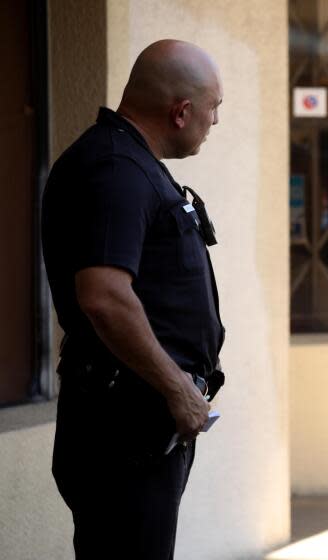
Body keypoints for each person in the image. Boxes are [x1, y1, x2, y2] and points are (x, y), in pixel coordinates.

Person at [42, 39, 225, 559]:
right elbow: (103, 297)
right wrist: (180, 392)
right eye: (214, 107)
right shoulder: (116, 168)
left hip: (137, 431)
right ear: (181, 111)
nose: (215, 121)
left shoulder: (130, 162)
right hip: (123, 436)